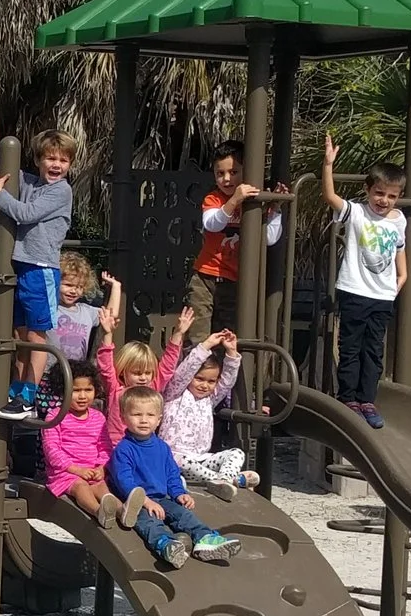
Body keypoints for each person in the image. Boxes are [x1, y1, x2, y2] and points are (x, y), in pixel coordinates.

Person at [0, 113, 76, 419]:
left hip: (41, 268)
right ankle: (17, 392)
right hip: (21, 267)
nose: (56, 165)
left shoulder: (61, 191)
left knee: (36, 338)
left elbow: (25, 213)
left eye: (63, 160)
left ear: (69, 165)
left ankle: (29, 395)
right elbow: (3, 171)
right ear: (39, 160)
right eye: (50, 158)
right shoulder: (32, 182)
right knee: (21, 337)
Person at [321, 134, 407, 430]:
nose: (384, 200)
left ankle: (367, 399)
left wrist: (402, 277)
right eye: (379, 193)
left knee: (374, 349)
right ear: (368, 190)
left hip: (382, 296)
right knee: (351, 347)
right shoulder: (357, 213)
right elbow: (331, 198)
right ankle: (348, 398)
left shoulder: (398, 220)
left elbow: (399, 250)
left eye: (391, 196)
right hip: (355, 291)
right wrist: (328, 164)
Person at [107, 387, 238, 570]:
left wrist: (179, 493)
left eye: (150, 415)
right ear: (123, 417)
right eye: (137, 414)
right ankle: (165, 545)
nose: (144, 420)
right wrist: (144, 501)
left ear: (159, 419)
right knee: (149, 521)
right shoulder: (124, 449)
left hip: (162, 498)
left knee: (184, 515)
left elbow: (171, 474)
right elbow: (124, 480)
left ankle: (205, 539)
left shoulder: (162, 447)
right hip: (136, 502)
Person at [189, 140, 286, 330]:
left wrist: (274, 208)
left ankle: (220, 360)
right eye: (220, 173)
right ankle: (197, 359)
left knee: (227, 331)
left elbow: (269, 238)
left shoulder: (254, 205)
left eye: (234, 172)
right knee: (197, 330)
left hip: (235, 281)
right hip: (206, 275)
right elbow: (212, 224)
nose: (227, 179)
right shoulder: (214, 198)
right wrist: (234, 200)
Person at [161, 327, 258, 493]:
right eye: (199, 379)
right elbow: (185, 371)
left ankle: (224, 480)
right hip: (174, 460)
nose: (205, 385)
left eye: (211, 381)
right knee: (179, 459)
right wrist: (206, 346)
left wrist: (232, 352)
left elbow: (227, 381)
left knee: (237, 453)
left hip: (202, 461)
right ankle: (226, 480)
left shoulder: (209, 399)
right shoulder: (175, 393)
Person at [38, 360, 114, 517]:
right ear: (63, 390)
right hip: (65, 473)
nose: (83, 396)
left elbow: (105, 446)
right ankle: (98, 512)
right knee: (81, 488)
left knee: (102, 488)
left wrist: (101, 467)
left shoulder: (98, 417)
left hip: (92, 471)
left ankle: (120, 511)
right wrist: (76, 470)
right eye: (76, 390)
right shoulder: (55, 416)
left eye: (88, 390)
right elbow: (51, 450)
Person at [53, 258, 119, 376]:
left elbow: (110, 315)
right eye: (68, 285)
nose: (74, 291)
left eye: (79, 287)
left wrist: (116, 287)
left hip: (77, 374)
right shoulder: (50, 308)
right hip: (50, 372)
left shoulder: (86, 311)